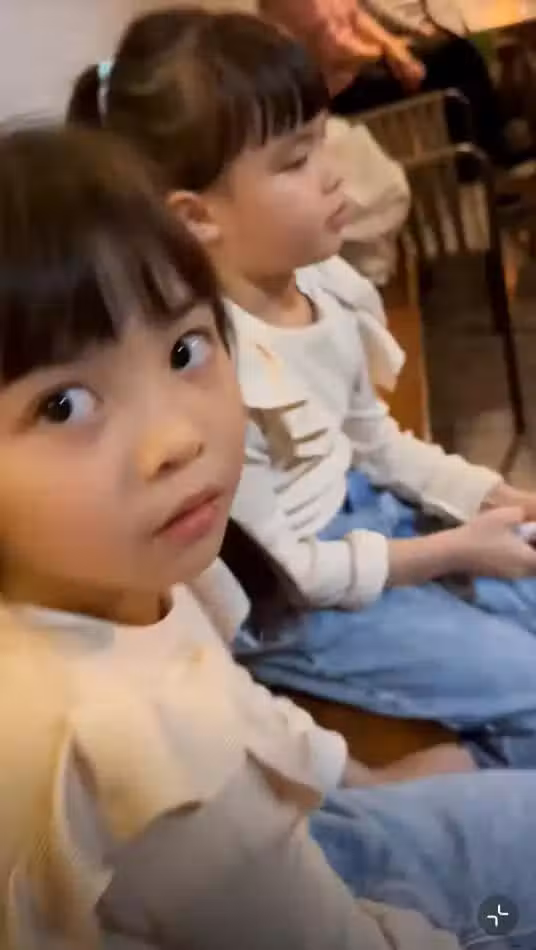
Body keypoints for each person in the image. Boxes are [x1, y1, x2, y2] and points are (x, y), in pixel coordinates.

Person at [4, 121, 536, 950]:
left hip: (296, 832)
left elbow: (236, 697)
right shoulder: (141, 757)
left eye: (186, 349)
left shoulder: (149, 567)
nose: (177, 437)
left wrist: (356, 778)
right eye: (63, 404)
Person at [68, 8, 536, 772]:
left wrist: (486, 495)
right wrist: (452, 547)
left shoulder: (323, 283)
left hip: (368, 520)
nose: (333, 173)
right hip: (308, 605)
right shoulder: (207, 375)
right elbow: (293, 572)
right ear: (196, 216)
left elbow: (375, 444)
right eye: (294, 160)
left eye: (322, 140)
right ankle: (432, 790)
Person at [259, 0, 516, 168]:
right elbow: (336, 50)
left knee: (458, 51)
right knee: (455, 61)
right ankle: (484, 158)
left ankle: (487, 149)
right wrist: (388, 56)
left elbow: (358, 17)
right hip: (341, 90)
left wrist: (392, 47)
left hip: (358, 65)